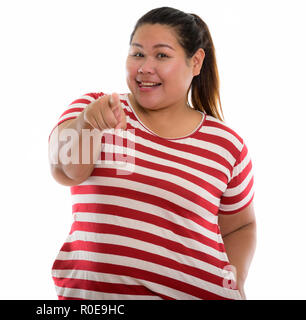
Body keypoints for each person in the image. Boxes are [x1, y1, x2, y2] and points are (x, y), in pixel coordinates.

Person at [48, 7, 256, 300]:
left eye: (161, 55)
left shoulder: (226, 144)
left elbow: (241, 225)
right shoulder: (95, 108)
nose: (144, 67)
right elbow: (64, 169)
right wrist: (88, 123)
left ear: (195, 62)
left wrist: (237, 279)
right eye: (137, 54)